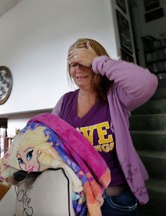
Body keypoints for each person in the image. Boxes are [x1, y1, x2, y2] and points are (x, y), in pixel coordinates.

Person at [52, 38, 158, 216]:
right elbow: (48, 139)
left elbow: (148, 82)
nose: (78, 69)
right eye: (73, 64)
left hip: (116, 202)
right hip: (78, 203)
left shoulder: (116, 96)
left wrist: (97, 62)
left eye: (85, 62)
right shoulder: (64, 102)